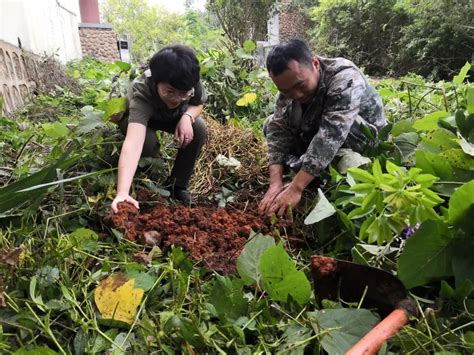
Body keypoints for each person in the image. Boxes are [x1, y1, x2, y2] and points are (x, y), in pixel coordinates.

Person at [258, 39, 386, 217]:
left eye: (300, 85)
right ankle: (308, 165)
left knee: (334, 133)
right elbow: (278, 130)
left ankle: (310, 168)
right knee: (271, 123)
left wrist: (296, 187)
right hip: (318, 131)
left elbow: (331, 134)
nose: (295, 95)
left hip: (359, 140)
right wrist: (275, 183)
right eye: (286, 91)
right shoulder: (290, 86)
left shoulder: (344, 77)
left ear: (315, 64)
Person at [111, 44, 207, 213]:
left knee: (198, 128)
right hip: (138, 119)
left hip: (169, 116)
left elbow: (198, 103)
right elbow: (133, 142)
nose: (177, 99)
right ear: (156, 82)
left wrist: (187, 117)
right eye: (170, 92)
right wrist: (122, 192)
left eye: (183, 93)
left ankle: (177, 186)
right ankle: (147, 181)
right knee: (147, 144)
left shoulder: (190, 81)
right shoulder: (141, 90)